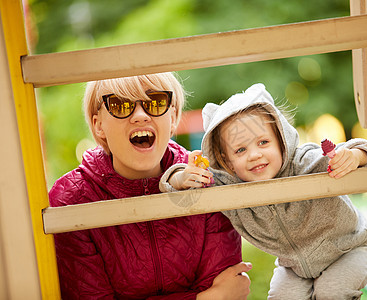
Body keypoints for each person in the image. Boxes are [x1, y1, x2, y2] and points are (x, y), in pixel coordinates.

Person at [159, 83, 367, 299]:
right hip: (294, 266)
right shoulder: (230, 186)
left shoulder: (304, 162)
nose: (254, 155)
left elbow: (360, 150)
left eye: (263, 142)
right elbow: (173, 184)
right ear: (226, 160)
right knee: (281, 296)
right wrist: (181, 178)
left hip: (348, 249)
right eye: (241, 149)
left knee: (331, 293)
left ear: (281, 140)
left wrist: (355, 156)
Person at [49, 73, 251, 299]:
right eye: (120, 104)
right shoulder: (70, 201)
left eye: (155, 102)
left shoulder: (207, 179)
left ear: (173, 116)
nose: (140, 115)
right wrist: (207, 297)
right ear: (99, 126)